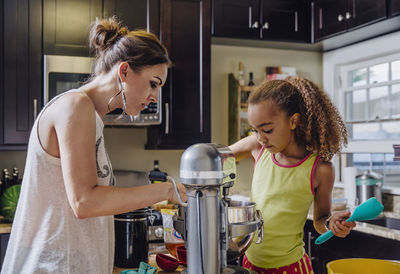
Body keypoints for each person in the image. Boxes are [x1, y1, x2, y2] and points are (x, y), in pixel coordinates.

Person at [2, 17, 187, 274]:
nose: (155, 96)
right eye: (153, 83)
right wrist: (166, 191)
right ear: (124, 71)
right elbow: (85, 202)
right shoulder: (75, 106)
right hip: (51, 267)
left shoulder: (93, 117)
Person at [229, 77, 356, 274]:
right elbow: (219, 155)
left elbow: (320, 220)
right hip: (250, 264)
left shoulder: (320, 169)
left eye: (267, 130)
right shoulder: (257, 147)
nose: (261, 138)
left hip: (291, 268)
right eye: (255, 130)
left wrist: (332, 224)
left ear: (293, 121)